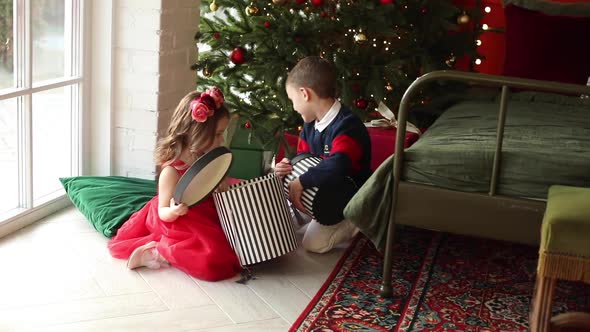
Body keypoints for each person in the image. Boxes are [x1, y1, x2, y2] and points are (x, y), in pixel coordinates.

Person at [108, 87, 241, 281]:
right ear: (198, 133)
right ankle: (157, 251)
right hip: (177, 220)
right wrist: (173, 211)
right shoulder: (172, 170)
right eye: (218, 134)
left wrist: (222, 186)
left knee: (238, 244)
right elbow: (163, 211)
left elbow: (213, 182)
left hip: (206, 211)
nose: (222, 140)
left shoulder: (207, 155)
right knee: (211, 258)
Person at [275, 56, 372, 253]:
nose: (293, 107)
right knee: (278, 224)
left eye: (292, 100)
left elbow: (339, 164)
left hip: (346, 198)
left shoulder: (347, 126)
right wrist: (288, 165)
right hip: (319, 192)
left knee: (313, 245)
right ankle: (311, 215)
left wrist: (301, 182)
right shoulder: (310, 126)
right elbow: (304, 157)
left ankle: (353, 221)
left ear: (304, 94)